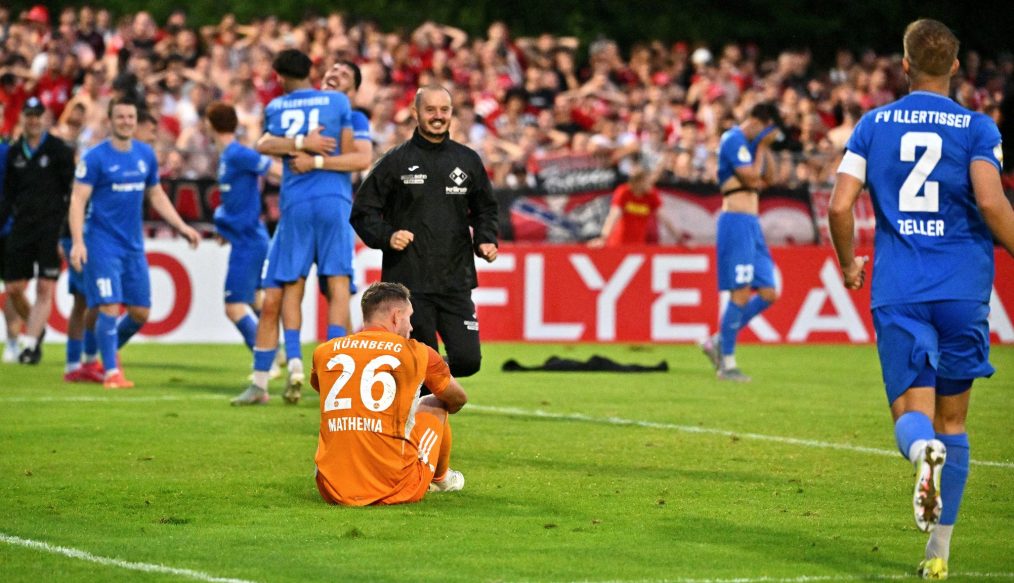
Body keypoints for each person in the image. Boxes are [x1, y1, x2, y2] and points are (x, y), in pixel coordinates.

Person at [828, 19, 1014, 580]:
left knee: (914, 417)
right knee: (953, 422)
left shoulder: (871, 125)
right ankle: (938, 556)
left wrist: (848, 262)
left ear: (903, 65)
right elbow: (990, 202)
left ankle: (918, 454)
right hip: (963, 289)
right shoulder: (978, 128)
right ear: (956, 67)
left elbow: (840, 207)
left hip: (901, 290)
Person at [231, 54, 369, 407]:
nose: (335, 74)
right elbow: (266, 145)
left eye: (344, 73)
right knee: (293, 290)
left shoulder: (337, 111)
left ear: (354, 89)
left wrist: (313, 158)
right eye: (332, 70)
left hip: (309, 203)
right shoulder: (335, 107)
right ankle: (285, 371)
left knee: (307, 288)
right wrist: (302, 144)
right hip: (315, 205)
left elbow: (359, 159)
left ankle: (326, 373)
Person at [351, 85, 499, 380]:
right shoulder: (395, 161)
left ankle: (409, 373)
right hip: (409, 284)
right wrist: (387, 236)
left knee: (468, 360)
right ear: (415, 113)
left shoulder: (467, 160)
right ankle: (416, 420)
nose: (438, 116)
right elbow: (362, 212)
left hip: (455, 278)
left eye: (444, 110)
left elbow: (486, 209)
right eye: (430, 110)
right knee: (422, 362)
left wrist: (485, 239)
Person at [68, 96, 201, 389]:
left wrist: (181, 226)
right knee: (109, 306)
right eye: (120, 117)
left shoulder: (145, 154)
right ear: (110, 120)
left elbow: (155, 194)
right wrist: (78, 242)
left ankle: (104, 353)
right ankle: (111, 372)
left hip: (133, 245)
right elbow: (78, 200)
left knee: (140, 312)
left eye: (130, 117)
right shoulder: (95, 157)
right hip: (101, 242)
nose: (126, 122)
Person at [311, 281, 468, 506]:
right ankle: (442, 478)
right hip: (397, 487)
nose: (411, 327)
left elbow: (322, 388)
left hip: (331, 488)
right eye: (409, 317)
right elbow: (457, 399)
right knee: (435, 401)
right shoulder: (418, 353)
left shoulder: (324, 351)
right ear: (396, 317)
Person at [698, 102, 781, 382]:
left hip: (752, 224)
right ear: (759, 122)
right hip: (735, 221)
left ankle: (719, 340)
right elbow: (749, 176)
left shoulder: (752, 147)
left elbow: (770, 177)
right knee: (740, 293)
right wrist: (759, 144)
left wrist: (765, 146)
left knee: (769, 292)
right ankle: (728, 365)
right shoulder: (733, 139)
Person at [0, 97, 75, 365]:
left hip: (50, 228)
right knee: (13, 287)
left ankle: (30, 345)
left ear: (45, 117)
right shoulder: (14, 152)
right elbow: (8, 195)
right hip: (21, 227)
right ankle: (37, 328)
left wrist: (65, 232)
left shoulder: (59, 151)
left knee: (45, 285)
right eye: (29, 114)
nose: (33, 120)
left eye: (37, 114)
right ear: (23, 117)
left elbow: (72, 194)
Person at [206, 101, 274, 354]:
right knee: (256, 299)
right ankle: (276, 348)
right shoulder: (228, 155)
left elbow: (273, 169)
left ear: (210, 125)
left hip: (249, 240)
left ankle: (265, 353)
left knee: (233, 306)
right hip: (244, 237)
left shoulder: (237, 153)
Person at [588, 162, 679, 247]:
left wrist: (678, 237)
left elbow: (664, 218)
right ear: (638, 181)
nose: (650, 184)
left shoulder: (651, 195)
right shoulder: (624, 192)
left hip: (638, 245)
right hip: (618, 244)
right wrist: (603, 238)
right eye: (647, 181)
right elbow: (613, 215)